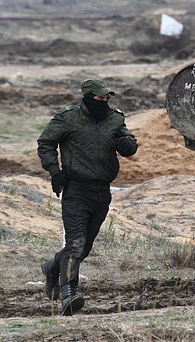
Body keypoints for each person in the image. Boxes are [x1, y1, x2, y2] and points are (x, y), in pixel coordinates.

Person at [37, 78, 138, 316]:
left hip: (102, 191)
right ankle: (69, 294)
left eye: (106, 98)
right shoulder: (68, 117)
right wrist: (55, 172)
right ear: (87, 97)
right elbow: (45, 143)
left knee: (84, 248)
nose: (103, 102)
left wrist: (127, 144)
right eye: (99, 98)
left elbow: (129, 144)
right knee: (75, 244)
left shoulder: (115, 118)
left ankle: (52, 267)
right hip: (76, 189)